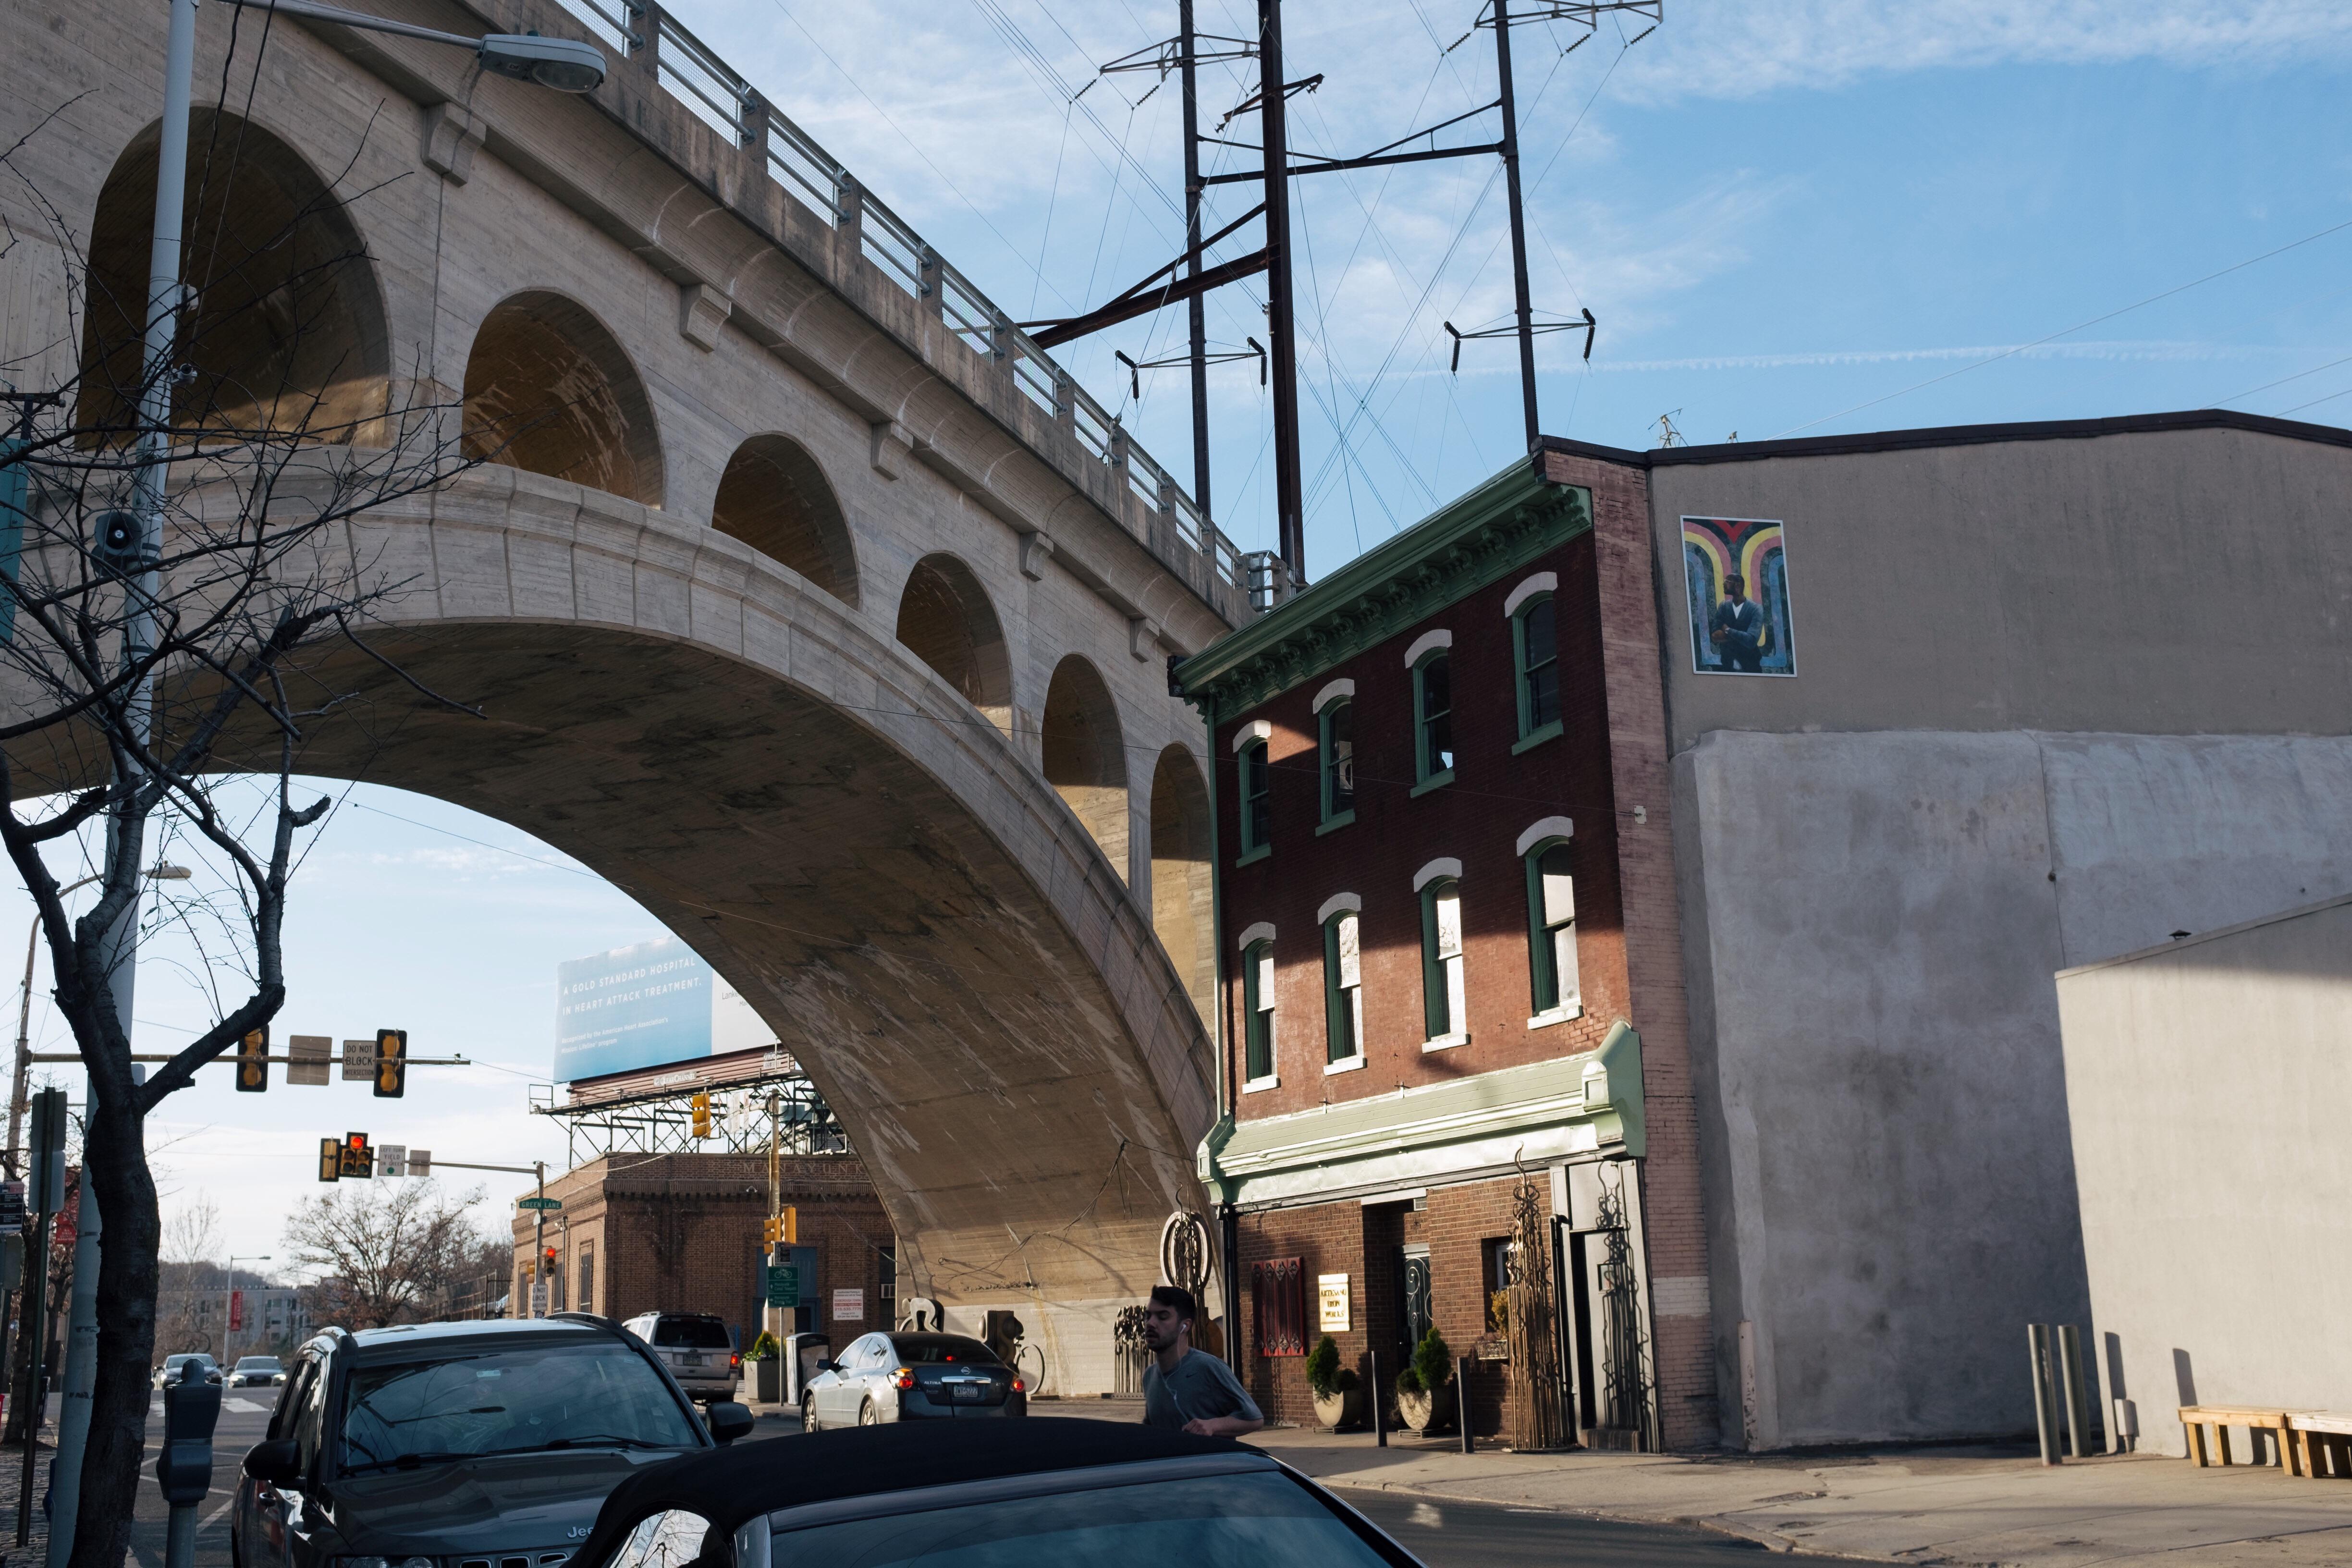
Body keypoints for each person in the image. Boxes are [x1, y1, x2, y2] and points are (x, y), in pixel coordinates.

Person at [1138, 1285, 1263, 1437]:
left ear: (1185, 1326)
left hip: (1209, 1461)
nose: (1151, 1323)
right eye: (1148, 1316)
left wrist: (1212, 1426)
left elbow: (1254, 1419)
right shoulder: (1149, 1376)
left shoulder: (1208, 1367)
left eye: (1163, 1316)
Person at [1708, 572, 1767, 673]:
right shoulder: (1724, 607)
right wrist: (1742, 635)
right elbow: (1714, 636)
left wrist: (1728, 630)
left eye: (1728, 582)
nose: (1724, 584)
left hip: (1751, 667)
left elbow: (1751, 641)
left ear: (1738, 585)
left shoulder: (1756, 609)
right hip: (1728, 667)